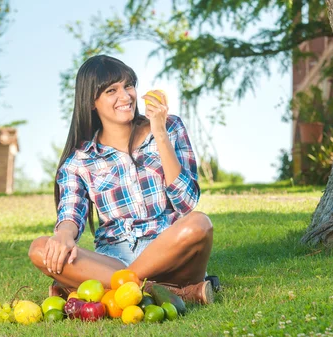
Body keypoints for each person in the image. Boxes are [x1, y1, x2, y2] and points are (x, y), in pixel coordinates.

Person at [28, 55, 215, 304]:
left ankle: (108, 291)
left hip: (169, 251)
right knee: (40, 248)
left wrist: (159, 132)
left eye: (128, 86)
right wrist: (63, 234)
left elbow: (186, 203)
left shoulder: (170, 127)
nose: (126, 97)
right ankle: (172, 293)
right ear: (92, 102)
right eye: (111, 90)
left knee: (199, 224)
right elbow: (71, 214)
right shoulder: (80, 160)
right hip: (112, 258)